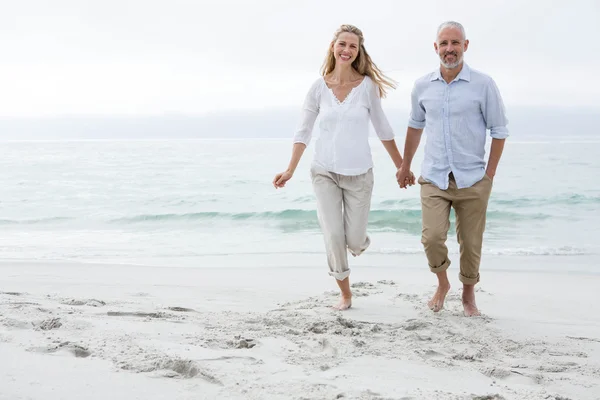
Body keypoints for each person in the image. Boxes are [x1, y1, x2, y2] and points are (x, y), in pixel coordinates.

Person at [273, 24, 414, 311]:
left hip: (359, 175)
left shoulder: (367, 87)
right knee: (334, 236)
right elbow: (303, 131)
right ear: (333, 47)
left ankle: (359, 243)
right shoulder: (318, 88)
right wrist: (290, 169)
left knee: (355, 240)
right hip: (324, 172)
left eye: (352, 46)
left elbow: (383, 129)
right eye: (342, 44)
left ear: (358, 51)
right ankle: (345, 292)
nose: (346, 50)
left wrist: (402, 166)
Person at [396, 21, 509, 317]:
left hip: (472, 178)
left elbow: (499, 130)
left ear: (465, 46)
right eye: (444, 43)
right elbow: (415, 126)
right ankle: (443, 284)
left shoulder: (484, 85)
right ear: (436, 48)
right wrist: (405, 165)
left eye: (455, 43)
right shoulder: (422, 86)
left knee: (470, 244)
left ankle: (468, 296)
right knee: (432, 238)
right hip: (433, 176)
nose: (449, 49)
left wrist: (490, 175)